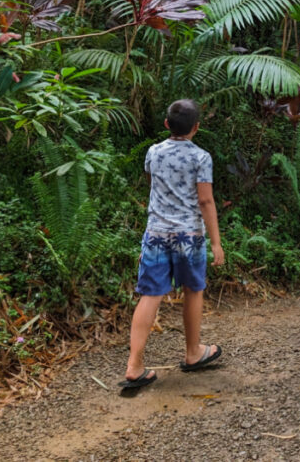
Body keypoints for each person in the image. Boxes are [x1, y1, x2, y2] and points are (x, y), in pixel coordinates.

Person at [120, 99, 225, 392]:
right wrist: (216, 242)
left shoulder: (153, 152)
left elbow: (155, 187)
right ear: (196, 127)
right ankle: (193, 353)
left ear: (166, 124)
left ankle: (134, 365)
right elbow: (205, 200)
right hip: (188, 237)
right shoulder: (201, 158)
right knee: (193, 290)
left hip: (156, 234)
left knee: (150, 295)